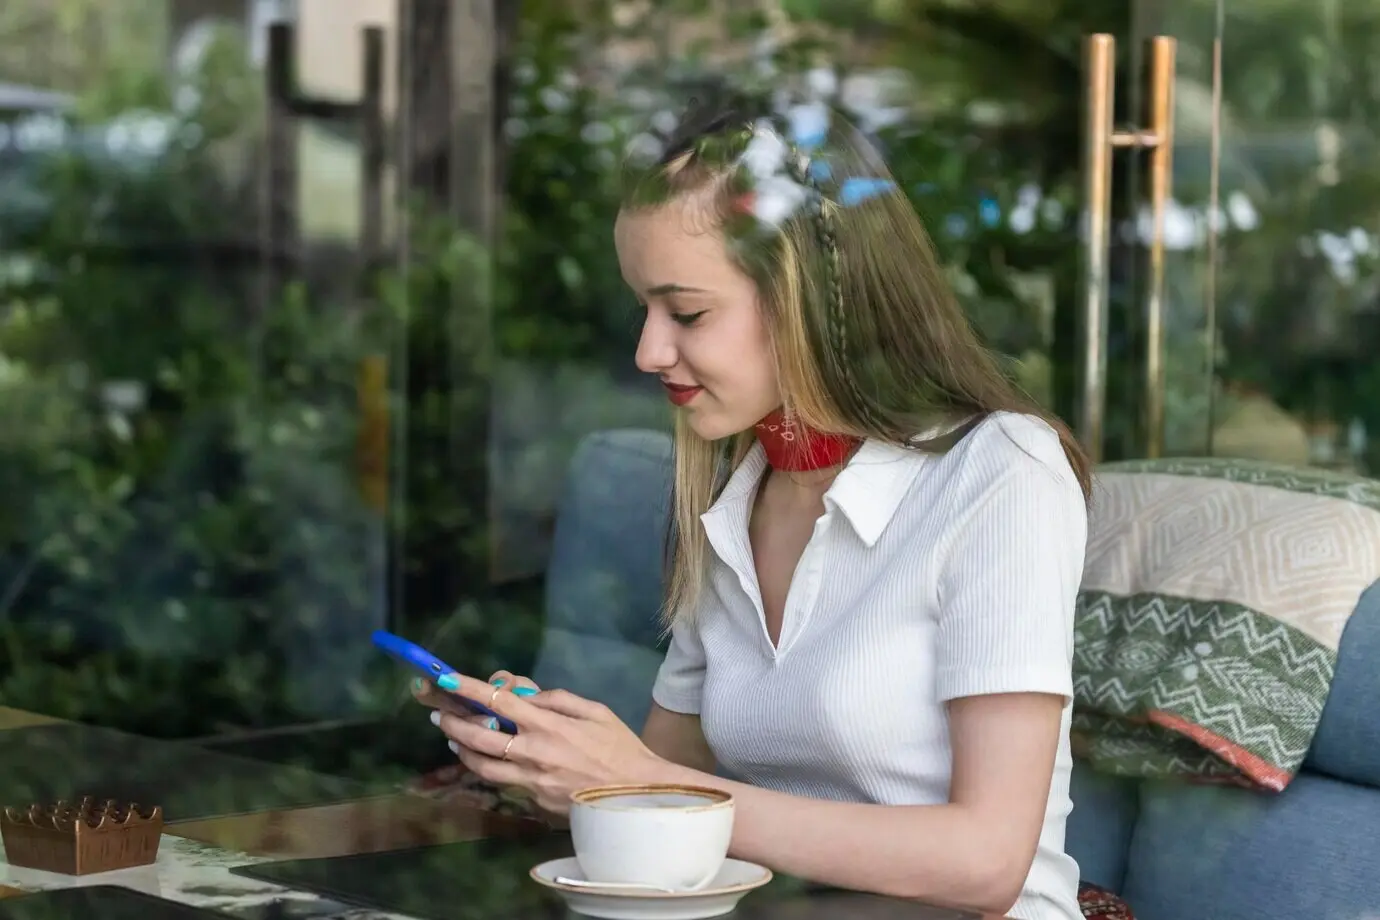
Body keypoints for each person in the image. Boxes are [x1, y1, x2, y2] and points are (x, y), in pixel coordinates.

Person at [416, 94, 1094, 920]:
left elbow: (986, 862)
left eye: (688, 312)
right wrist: (549, 753)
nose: (649, 351)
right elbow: (659, 805)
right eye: (644, 308)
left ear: (806, 299)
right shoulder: (733, 496)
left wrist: (635, 778)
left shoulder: (999, 473)